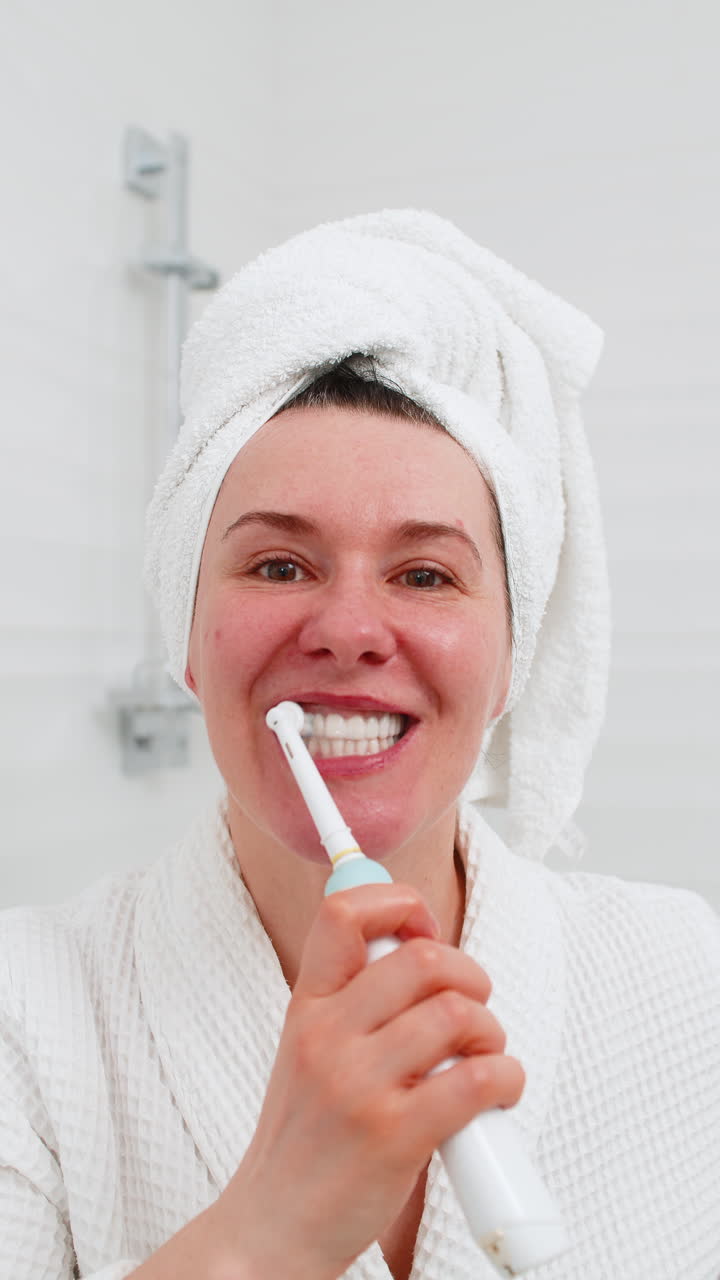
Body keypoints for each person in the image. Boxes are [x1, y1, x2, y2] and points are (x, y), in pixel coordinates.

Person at [1, 211, 718, 1280]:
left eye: (425, 574)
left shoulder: (687, 975)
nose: (347, 628)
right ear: (186, 639)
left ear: (511, 660)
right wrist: (265, 1231)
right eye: (278, 565)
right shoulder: (24, 1012)